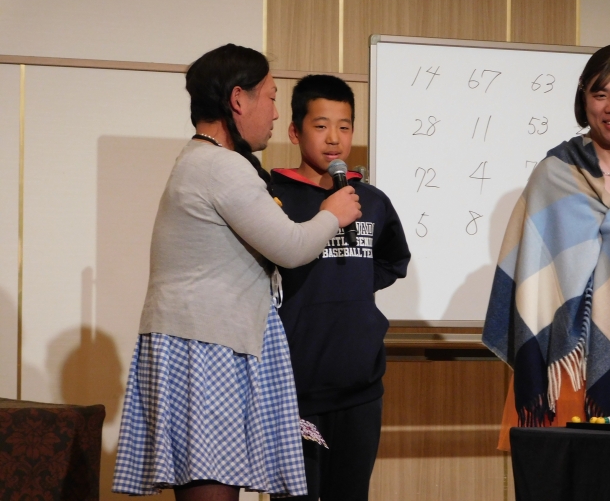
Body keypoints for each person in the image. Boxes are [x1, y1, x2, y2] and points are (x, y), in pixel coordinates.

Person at [111, 45, 362, 500]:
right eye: (271, 97)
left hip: (202, 341)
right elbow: (292, 247)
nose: (274, 112)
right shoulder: (220, 166)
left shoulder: (202, 159)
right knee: (212, 487)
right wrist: (333, 213)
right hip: (206, 346)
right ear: (238, 99)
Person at [482, 42, 610, 450]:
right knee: (573, 476)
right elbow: (532, 276)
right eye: (600, 93)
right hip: (566, 375)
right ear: (584, 98)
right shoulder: (553, 175)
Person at [270, 75, 411, 501]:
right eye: (321, 125)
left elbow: (393, 259)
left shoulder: (371, 199)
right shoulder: (272, 197)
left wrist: (353, 285)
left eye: (344, 126)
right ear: (295, 131)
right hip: (294, 388)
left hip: (359, 388)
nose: (334, 138)